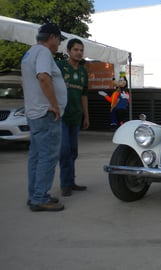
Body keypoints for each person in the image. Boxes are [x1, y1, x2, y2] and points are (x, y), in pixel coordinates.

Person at [21, 22, 67, 211]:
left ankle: (35, 194)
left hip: (35, 113)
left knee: (37, 156)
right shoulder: (43, 53)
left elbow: (27, 83)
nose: (58, 44)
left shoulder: (29, 53)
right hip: (46, 114)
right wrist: (55, 106)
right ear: (52, 38)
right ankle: (40, 197)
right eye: (58, 40)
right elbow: (43, 77)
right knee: (48, 156)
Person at [56, 38, 89, 197]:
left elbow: (84, 95)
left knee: (73, 151)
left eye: (81, 50)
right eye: (76, 49)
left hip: (76, 116)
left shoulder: (83, 71)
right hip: (61, 116)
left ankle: (71, 181)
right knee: (64, 151)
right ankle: (65, 184)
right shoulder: (60, 67)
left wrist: (86, 116)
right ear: (68, 51)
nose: (79, 52)